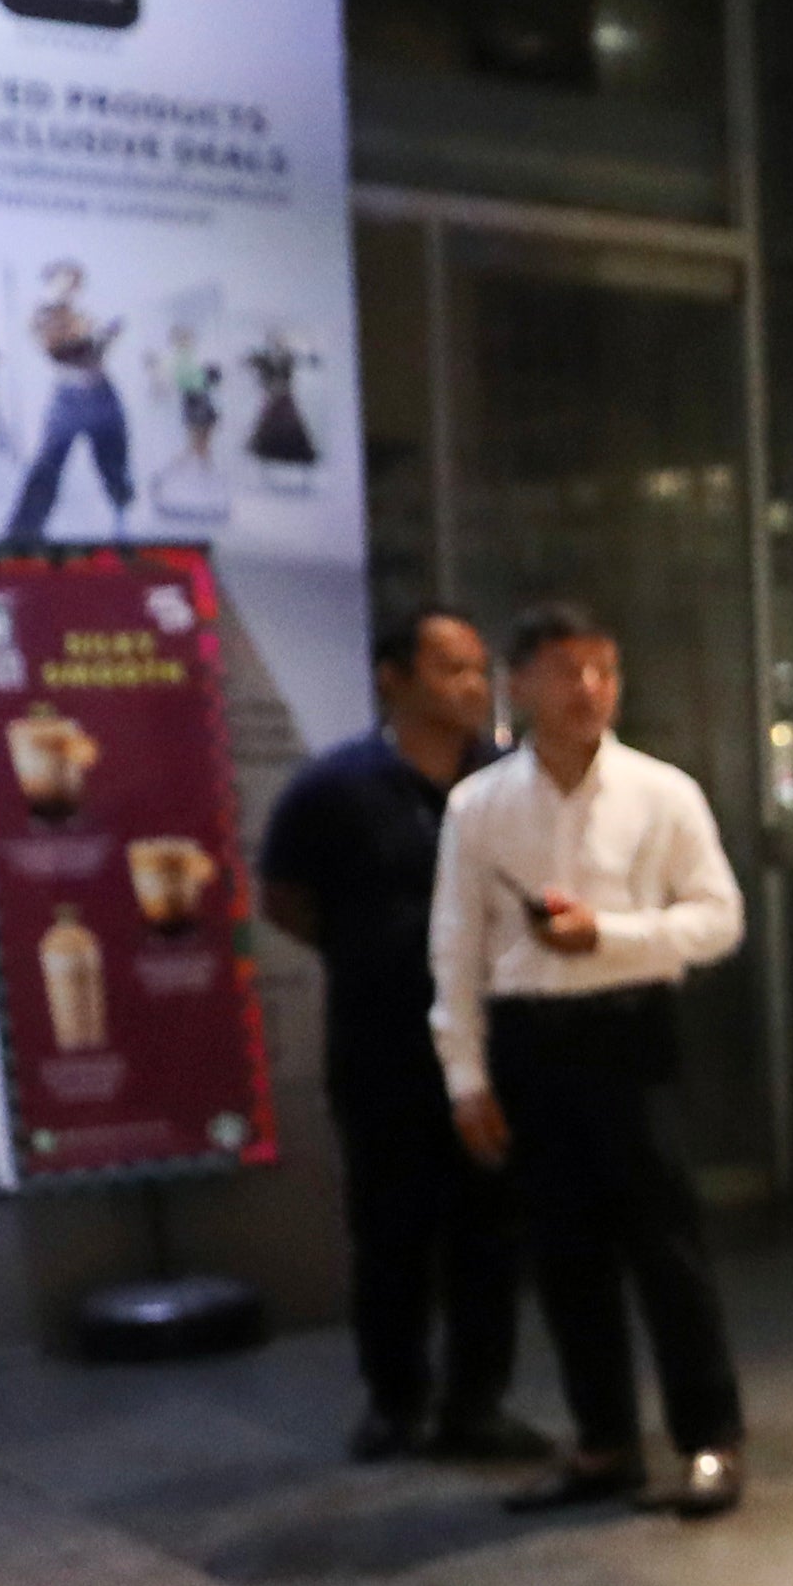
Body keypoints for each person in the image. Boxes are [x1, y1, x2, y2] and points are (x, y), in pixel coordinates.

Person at [434, 604, 748, 1521]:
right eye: (567, 671)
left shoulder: (663, 792)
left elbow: (719, 918)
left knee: (669, 1249)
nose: (590, 690)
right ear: (519, 683)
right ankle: (603, 1442)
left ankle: (709, 1440)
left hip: (631, 1032)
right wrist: (466, 1073)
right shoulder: (479, 805)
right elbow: (454, 948)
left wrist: (606, 935)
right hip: (531, 1038)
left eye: (605, 670)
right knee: (565, 1255)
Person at [258, 606, 537, 1464]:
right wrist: (369, 952)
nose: (472, 683)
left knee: (488, 1229)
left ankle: (477, 1403)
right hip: (380, 1043)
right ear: (394, 677)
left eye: (478, 666)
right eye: (451, 666)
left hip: (491, 1044)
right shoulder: (334, 786)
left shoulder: (507, 781)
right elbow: (284, 898)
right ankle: (395, 1401)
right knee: (390, 1231)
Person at [5, 260, 137, 540]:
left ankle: (123, 521)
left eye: (76, 282)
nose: (73, 287)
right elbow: (61, 352)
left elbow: (93, 354)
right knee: (48, 464)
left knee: (114, 460)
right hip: (70, 398)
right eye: (67, 280)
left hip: (102, 393)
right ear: (52, 281)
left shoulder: (77, 315)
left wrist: (103, 339)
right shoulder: (42, 316)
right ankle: (23, 534)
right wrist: (96, 338)